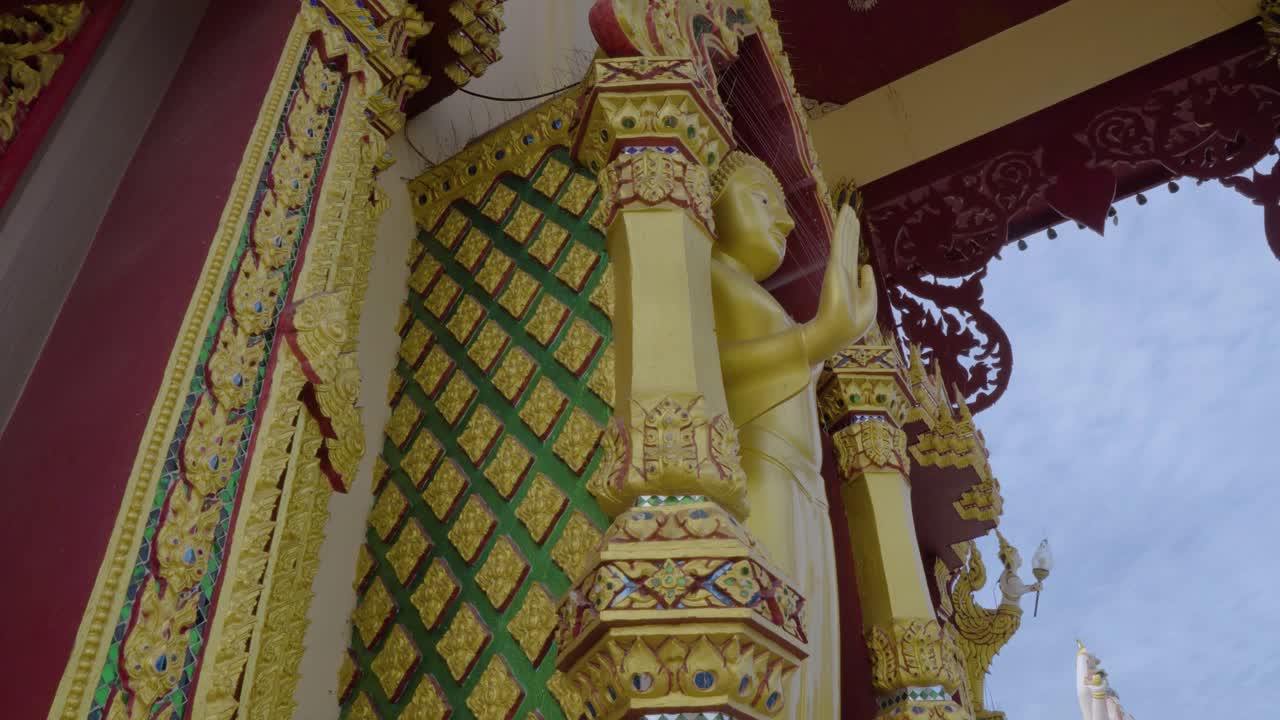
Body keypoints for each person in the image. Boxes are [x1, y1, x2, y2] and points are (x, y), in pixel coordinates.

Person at [708, 150, 877, 718]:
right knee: (768, 641)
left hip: (807, 486)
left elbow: (805, 357)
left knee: (811, 658)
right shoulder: (705, 270)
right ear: (710, 201)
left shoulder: (762, 301)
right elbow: (707, 364)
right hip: (764, 469)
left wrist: (830, 333)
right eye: (763, 200)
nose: (783, 221)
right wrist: (816, 338)